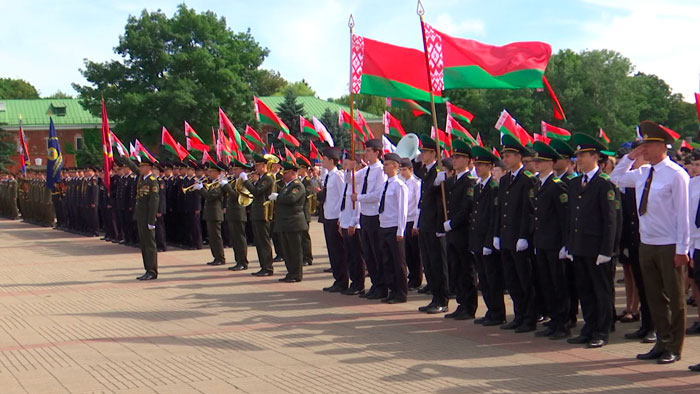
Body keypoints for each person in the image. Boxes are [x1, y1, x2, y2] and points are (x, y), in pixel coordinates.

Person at [611, 121, 689, 365]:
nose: (643, 148)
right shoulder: (643, 172)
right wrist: (629, 158)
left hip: (669, 245)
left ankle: (674, 346)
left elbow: (683, 215)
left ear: (661, 146)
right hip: (647, 243)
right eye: (642, 144)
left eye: (648, 144)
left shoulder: (676, 174)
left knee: (674, 298)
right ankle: (661, 341)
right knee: (654, 297)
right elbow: (615, 178)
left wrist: (682, 249)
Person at [566, 133, 617, 349]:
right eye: (577, 156)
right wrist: (570, 244)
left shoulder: (605, 184)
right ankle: (588, 327)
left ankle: (602, 331)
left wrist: (607, 250)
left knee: (601, 291)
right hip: (580, 247)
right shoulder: (576, 183)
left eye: (583, 155)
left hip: (598, 249)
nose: (579, 159)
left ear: (595, 157)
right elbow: (571, 217)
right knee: (585, 291)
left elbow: (611, 220)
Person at [493, 134, 537, 333]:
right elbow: (500, 210)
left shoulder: (527, 180)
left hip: (520, 239)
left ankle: (529, 317)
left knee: (525, 280)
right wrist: (496, 234)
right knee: (512, 280)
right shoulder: (504, 181)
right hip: (506, 237)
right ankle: (519, 315)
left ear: (520, 157)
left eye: (510, 155)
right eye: (505, 155)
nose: (506, 158)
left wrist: (524, 236)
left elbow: (528, 212)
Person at [531, 141, 570, 339]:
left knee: (558, 284)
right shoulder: (539, 184)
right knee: (546, 283)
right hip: (543, 242)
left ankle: (562, 323)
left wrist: (565, 244)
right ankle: (554, 320)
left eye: (541, 161)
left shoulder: (557, 186)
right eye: (536, 160)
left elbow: (563, 218)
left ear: (551, 163)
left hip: (555, 243)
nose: (536, 164)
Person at [440, 140, 477, 319]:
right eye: (454, 157)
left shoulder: (470, 181)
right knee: (456, 268)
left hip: (463, 230)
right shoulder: (453, 180)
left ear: (469, 161)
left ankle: (469, 307)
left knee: (466, 269)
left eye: (459, 157)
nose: (455, 160)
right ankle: (461, 303)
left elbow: (467, 206)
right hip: (453, 232)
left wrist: (453, 223)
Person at [469, 146, 506, 326]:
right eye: (476, 164)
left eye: (482, 165)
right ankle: (491, 311)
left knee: (493, 279)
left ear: (491, 167)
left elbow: (493, 217)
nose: (478, 168)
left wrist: (490, 241)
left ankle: (498, 312)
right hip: (478, 239)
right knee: (483, 279)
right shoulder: (478, 187)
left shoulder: (493, 187)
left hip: (487, 240)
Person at [415, 135, 449, 314]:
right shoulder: (427, 171)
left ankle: (442, 299)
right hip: (425, 222)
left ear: (434, 153)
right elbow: (415, 169)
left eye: (425, 152)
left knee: (438, 264)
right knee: (428, 263)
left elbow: (439, 200)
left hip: (436, 224)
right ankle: (435, 297)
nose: (421, 154)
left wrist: (437, 183)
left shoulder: (439, 172)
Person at [352, 139, 388, 299]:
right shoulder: (366, 170)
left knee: (376, 252)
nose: (365, 153)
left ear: (377, 152)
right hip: (364, 215)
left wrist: (359, 197)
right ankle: (374, 284)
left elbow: (377, 195)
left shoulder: (381, 171)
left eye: (368, 150)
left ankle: (382, 286)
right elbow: (350, 180)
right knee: (368, 253)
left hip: (374, 216)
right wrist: (349, 169)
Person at [119, 155, 159, 280]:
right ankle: (147, 269)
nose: (140, 168)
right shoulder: (142, 178)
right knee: (144, 244)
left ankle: (152, 270)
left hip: (148, 218)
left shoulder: (152, 181)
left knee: (150, 245)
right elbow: (133, 167)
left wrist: (151, 221)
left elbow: (154, 202)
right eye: (140, 166)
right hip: (141, 216)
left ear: (148, 167)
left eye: (142, 166)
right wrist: (125, 158)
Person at [376, 153, 409, 303]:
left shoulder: (400, 185)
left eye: (387, 164)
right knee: (387, 261)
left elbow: (403, 210)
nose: (384, 166)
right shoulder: (386, 184)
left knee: (398, 262)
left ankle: (401, 293)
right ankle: (392, 290)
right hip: (384, 225)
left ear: (395, 166)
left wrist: (401, 230)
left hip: (394, 227)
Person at [270, 160, 308, 282]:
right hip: (285, 222)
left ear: (292, 173)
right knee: (287, 250)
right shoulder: (287, 186)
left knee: (294, 250)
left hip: (293, 222)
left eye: (285, 173)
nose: (283, 176)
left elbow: (292, 199)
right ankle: (290, 272)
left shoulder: (297, 185)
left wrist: (278, 197)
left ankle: (296, 274)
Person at [240, 153, 275, 276]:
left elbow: (257, 192)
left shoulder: (268, 178)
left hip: (263, 214)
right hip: (257, 213)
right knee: (259, 242)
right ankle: (263, 266)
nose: (255, 168)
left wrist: (245, 181)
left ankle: (268, 267)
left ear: (264, 165)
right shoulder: (262, 178)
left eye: (258, 165)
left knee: (264, 242)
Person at [320, 147, 348, 292]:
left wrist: (341, 217)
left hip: (335, 217)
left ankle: (342, 280)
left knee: (338, 251)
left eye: (324, 159)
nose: (322, 161)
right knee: (332, 250)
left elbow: (343, 196)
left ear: (332, 160)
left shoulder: (338, 176)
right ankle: (338, 279)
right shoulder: (329, 175)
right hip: (328, 215)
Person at [339, 155, 366, 295]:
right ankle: (353, 281)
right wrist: (340, 219)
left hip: (354, 223)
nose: (345, 166)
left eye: (348, 164)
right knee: (349, 254)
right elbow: (344, 199)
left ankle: (359, 283)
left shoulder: (359, 178)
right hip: (345, 219)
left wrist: (353, 222)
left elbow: (358, 203)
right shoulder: (348, 178)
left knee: (357, 256)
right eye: (345, 164)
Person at [194, 162, 227, 266]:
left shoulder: (219, 184)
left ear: (217, 173)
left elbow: (210, 196)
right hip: (209, 213)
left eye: (212, 171)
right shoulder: (211, 182)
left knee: (216, 237)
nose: (209, 173)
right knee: (212, 237)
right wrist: (199, 188)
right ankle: (216, 257)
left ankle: (220, 258)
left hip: (215, 213)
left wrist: (201, 189)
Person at [223, 159, 251, 271]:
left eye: (236, 169)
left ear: (242, 170)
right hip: (232, 213)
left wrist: (227, 187)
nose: (234, 171)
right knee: (234, 239)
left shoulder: (244, 181)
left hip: (239, 213)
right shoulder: (234, 181)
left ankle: (243, 262)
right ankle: (238, 261)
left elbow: (237, 196)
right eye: (233, 169)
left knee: (240, 238)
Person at [400, 157, 422, 291]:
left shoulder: (416, 184)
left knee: (415, 252)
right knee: (407, 252)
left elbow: (418, 205)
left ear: (411, 170)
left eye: (404, 170)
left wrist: (415, 225)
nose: (402, 172)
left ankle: (417, 278)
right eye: (401, 169)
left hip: (413, 219)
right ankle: (411, 277)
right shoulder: (403, 183)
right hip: (405, 220)